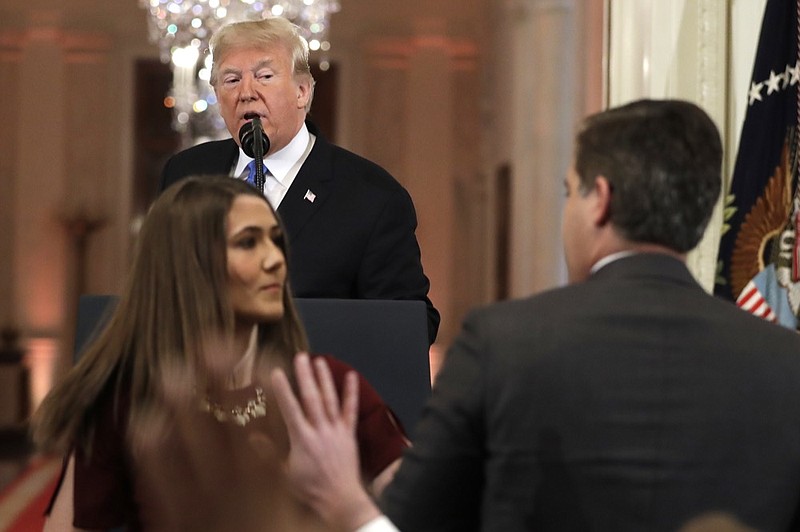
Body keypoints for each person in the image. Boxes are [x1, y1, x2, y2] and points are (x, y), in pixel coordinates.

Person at [270, 99, 800, 531]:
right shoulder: (785, 361)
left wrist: (347, 504)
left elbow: (415, 524)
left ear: (601, 202)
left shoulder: (503, 343)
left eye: (568, 191)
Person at [32, 176, 408, 531]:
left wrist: (350, 500)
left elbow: (427, 512)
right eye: (248, 242)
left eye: (276, 240)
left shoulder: (325, 387)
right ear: (188, 266)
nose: (276, 259)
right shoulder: (129, 401)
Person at [159, 16, 440, 344]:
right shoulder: (185, 173)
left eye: (264, 76)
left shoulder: (372, 196)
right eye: (231, 80)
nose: (246, 92)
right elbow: (158, 291)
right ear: (218, 97)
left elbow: (410, 322)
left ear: (302, 92)